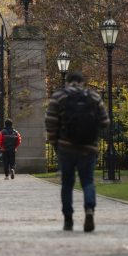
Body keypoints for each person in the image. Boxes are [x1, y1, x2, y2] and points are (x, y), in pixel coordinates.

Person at [45, 70, 109, 233]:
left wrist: (55, 143)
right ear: (82, 82)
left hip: (66, 147)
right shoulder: (93, 97)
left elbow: (51, 123)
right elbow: (105, 121)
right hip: (88, 147)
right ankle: (89, 209)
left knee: (67, 184)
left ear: (67, 82)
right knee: (88, 181)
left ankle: (68, 219)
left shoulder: (58, 97)